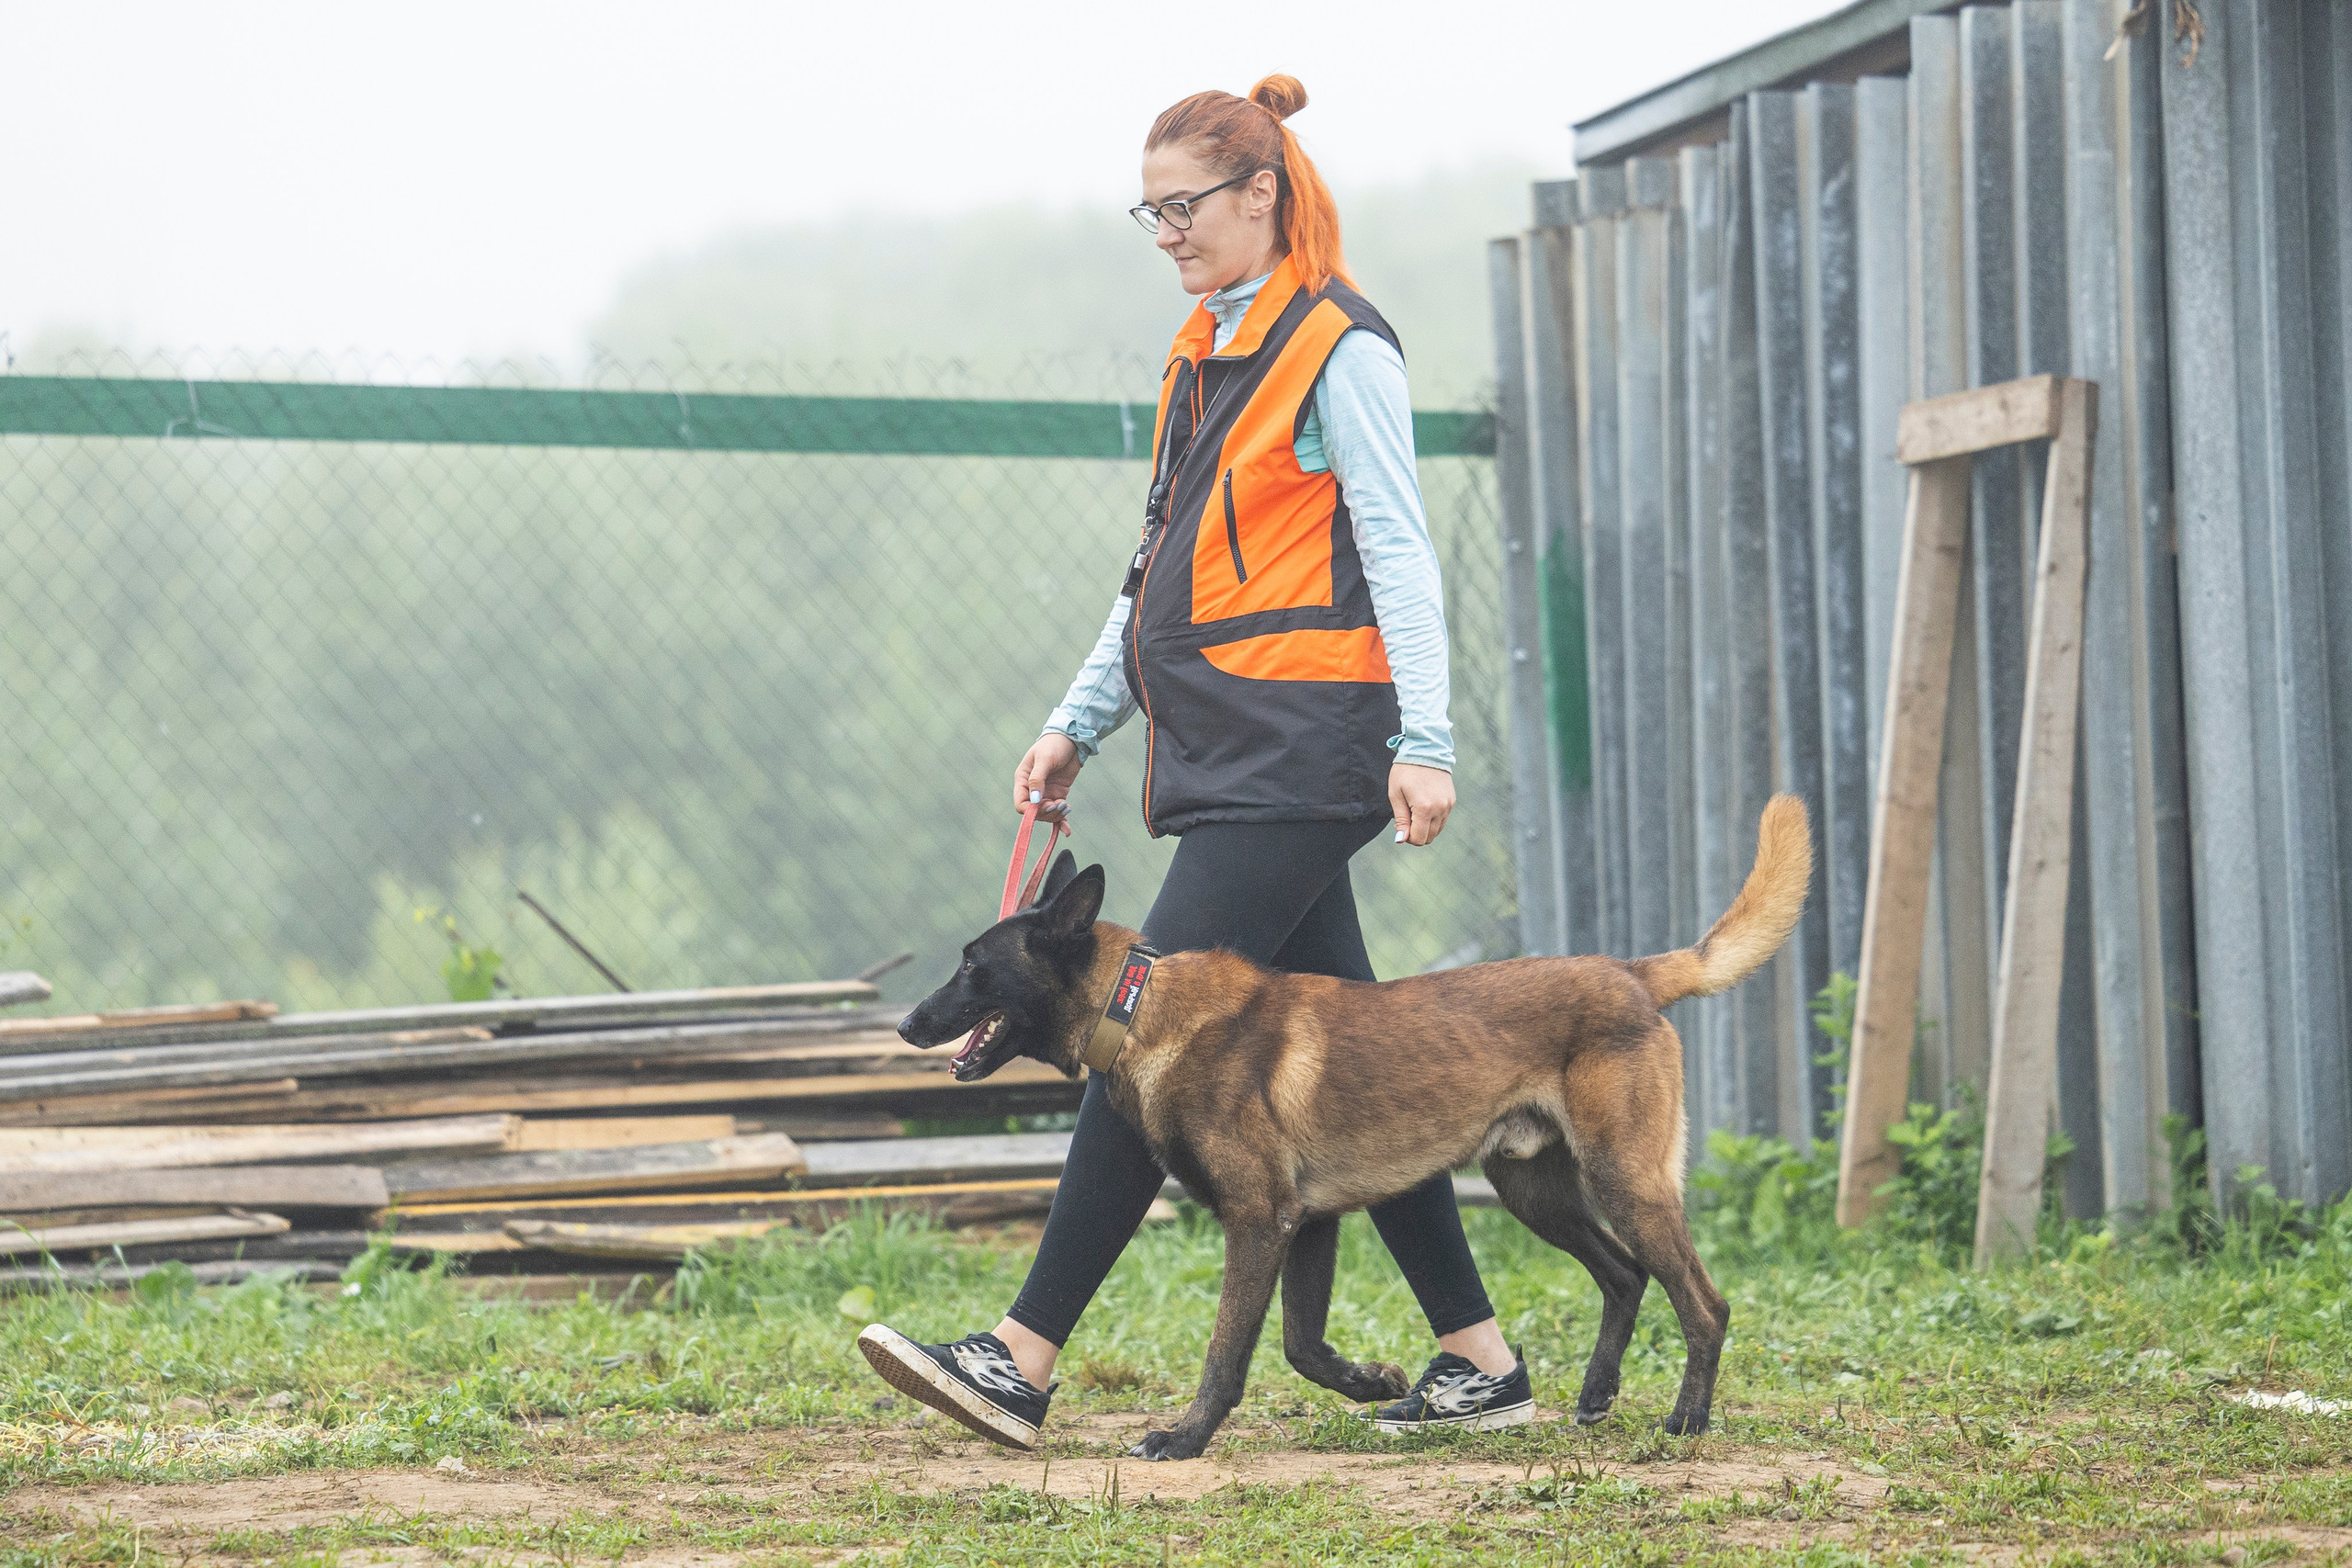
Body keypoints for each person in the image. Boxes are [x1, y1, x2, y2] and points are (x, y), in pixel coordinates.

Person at [858, 74, 1528, 1450]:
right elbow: (1151, 573)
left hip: (1305, 757)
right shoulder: (1205, 352)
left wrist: (1428, 741)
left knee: (1136, 1034)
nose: (1164, 231)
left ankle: (1018, 1357)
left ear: (1260, 195)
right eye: (1148, 210)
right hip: (1227, 759)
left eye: (1184, 205)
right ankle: (1482, 1359)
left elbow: (1400, 548)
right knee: (1363, 1066)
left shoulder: (1340, 346)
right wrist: (1075, 719)